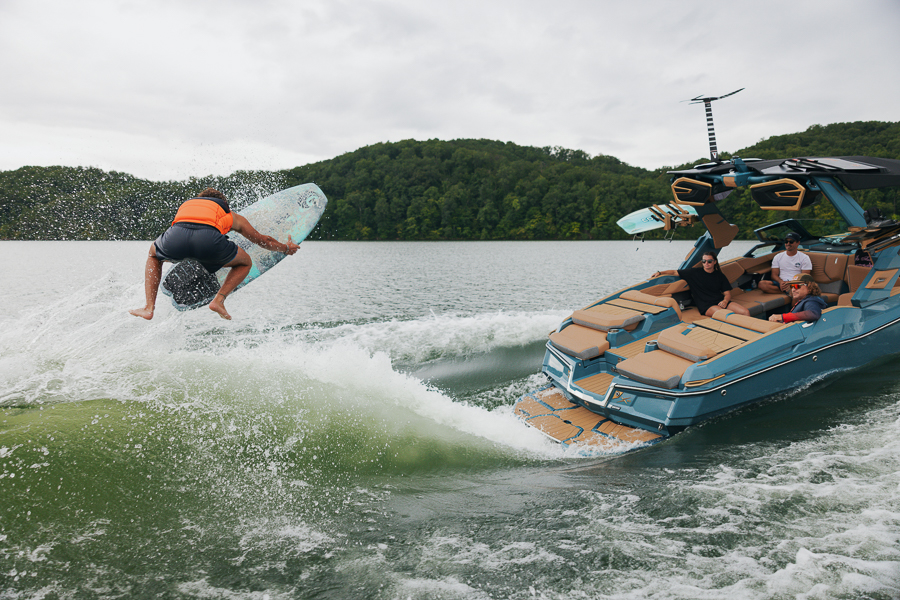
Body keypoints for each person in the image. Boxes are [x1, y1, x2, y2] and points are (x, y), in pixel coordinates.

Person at [130, 188, 300, 321]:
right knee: (245, 262)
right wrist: (286, 248)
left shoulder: (188, 206)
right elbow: (263, 240)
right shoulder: (228, 213)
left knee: (154, 256)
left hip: (176, 237)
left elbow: (188, 232)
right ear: (223, 203)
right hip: (208, 242)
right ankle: (218, 301)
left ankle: (149, 307)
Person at [653, 252, 750, 317]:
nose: (706, 263)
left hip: (720, 301)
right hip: (706, 305)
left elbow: (727, 293)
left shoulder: (719, 275)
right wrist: (660, 272)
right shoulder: (693, 273)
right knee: (726, 315)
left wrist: (725, 301)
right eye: (704, 261)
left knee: (745, 312)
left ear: (714, 262)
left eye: (709, 261)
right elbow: (675, 272)